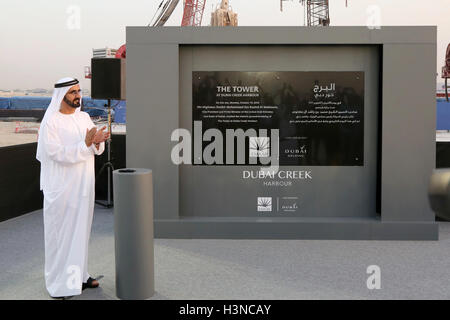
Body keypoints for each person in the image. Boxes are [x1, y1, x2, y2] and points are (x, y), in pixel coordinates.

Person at [36, 77, 110, 298]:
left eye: (79, 91)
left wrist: (98, 141)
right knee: (61, 236)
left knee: (80, 232)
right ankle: (59, 284)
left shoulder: (85, 117)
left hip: (84, 186)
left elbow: (95, 149)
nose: (78, 95)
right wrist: (85, 144)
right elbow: (55, 154)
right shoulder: (51, 122)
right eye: (72, 92)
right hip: (61, 189)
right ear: (61, 96)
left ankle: (79, 276)